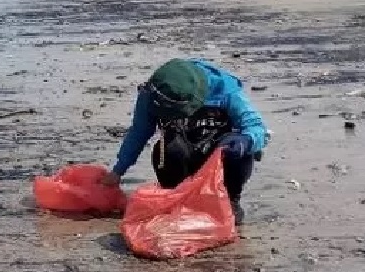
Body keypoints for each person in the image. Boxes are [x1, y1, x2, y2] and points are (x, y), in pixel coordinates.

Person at [99, 58, 268, 219]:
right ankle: (178, 199)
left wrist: (246, 141)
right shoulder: (153, 94)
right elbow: (138, 133)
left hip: (217, 157)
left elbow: (256, 128)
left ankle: (230, 200)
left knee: (240, 148)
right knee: (167, 147)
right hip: (181, 159)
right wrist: (117, 172)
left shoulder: (224, 88)